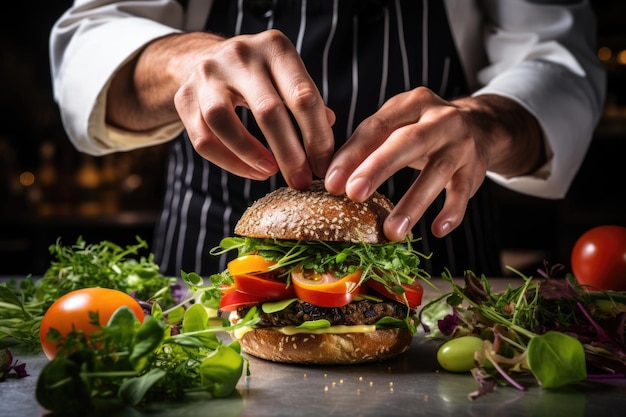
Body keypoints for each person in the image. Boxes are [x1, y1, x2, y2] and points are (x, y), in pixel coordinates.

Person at [49, 0, 605, 277]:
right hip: (209, 247)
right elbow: (91, 43)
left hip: (437, 245)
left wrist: (484, 124)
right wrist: (190, 60)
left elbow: (556, 58)